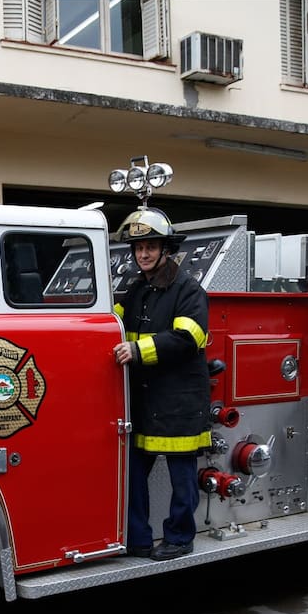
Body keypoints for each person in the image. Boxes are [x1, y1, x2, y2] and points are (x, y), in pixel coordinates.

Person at [113, 207, 211, 561]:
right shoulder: (136, 290)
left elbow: (188, 338)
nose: (144, 254)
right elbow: (110, 322)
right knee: (133, 475)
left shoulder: (187, 290)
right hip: (143, 402)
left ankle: (180, 537)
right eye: (138, 248)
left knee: (181, 478)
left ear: (165, 248)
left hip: (178, 402)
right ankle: (137, 539)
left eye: (150, 246)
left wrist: (137, 350)